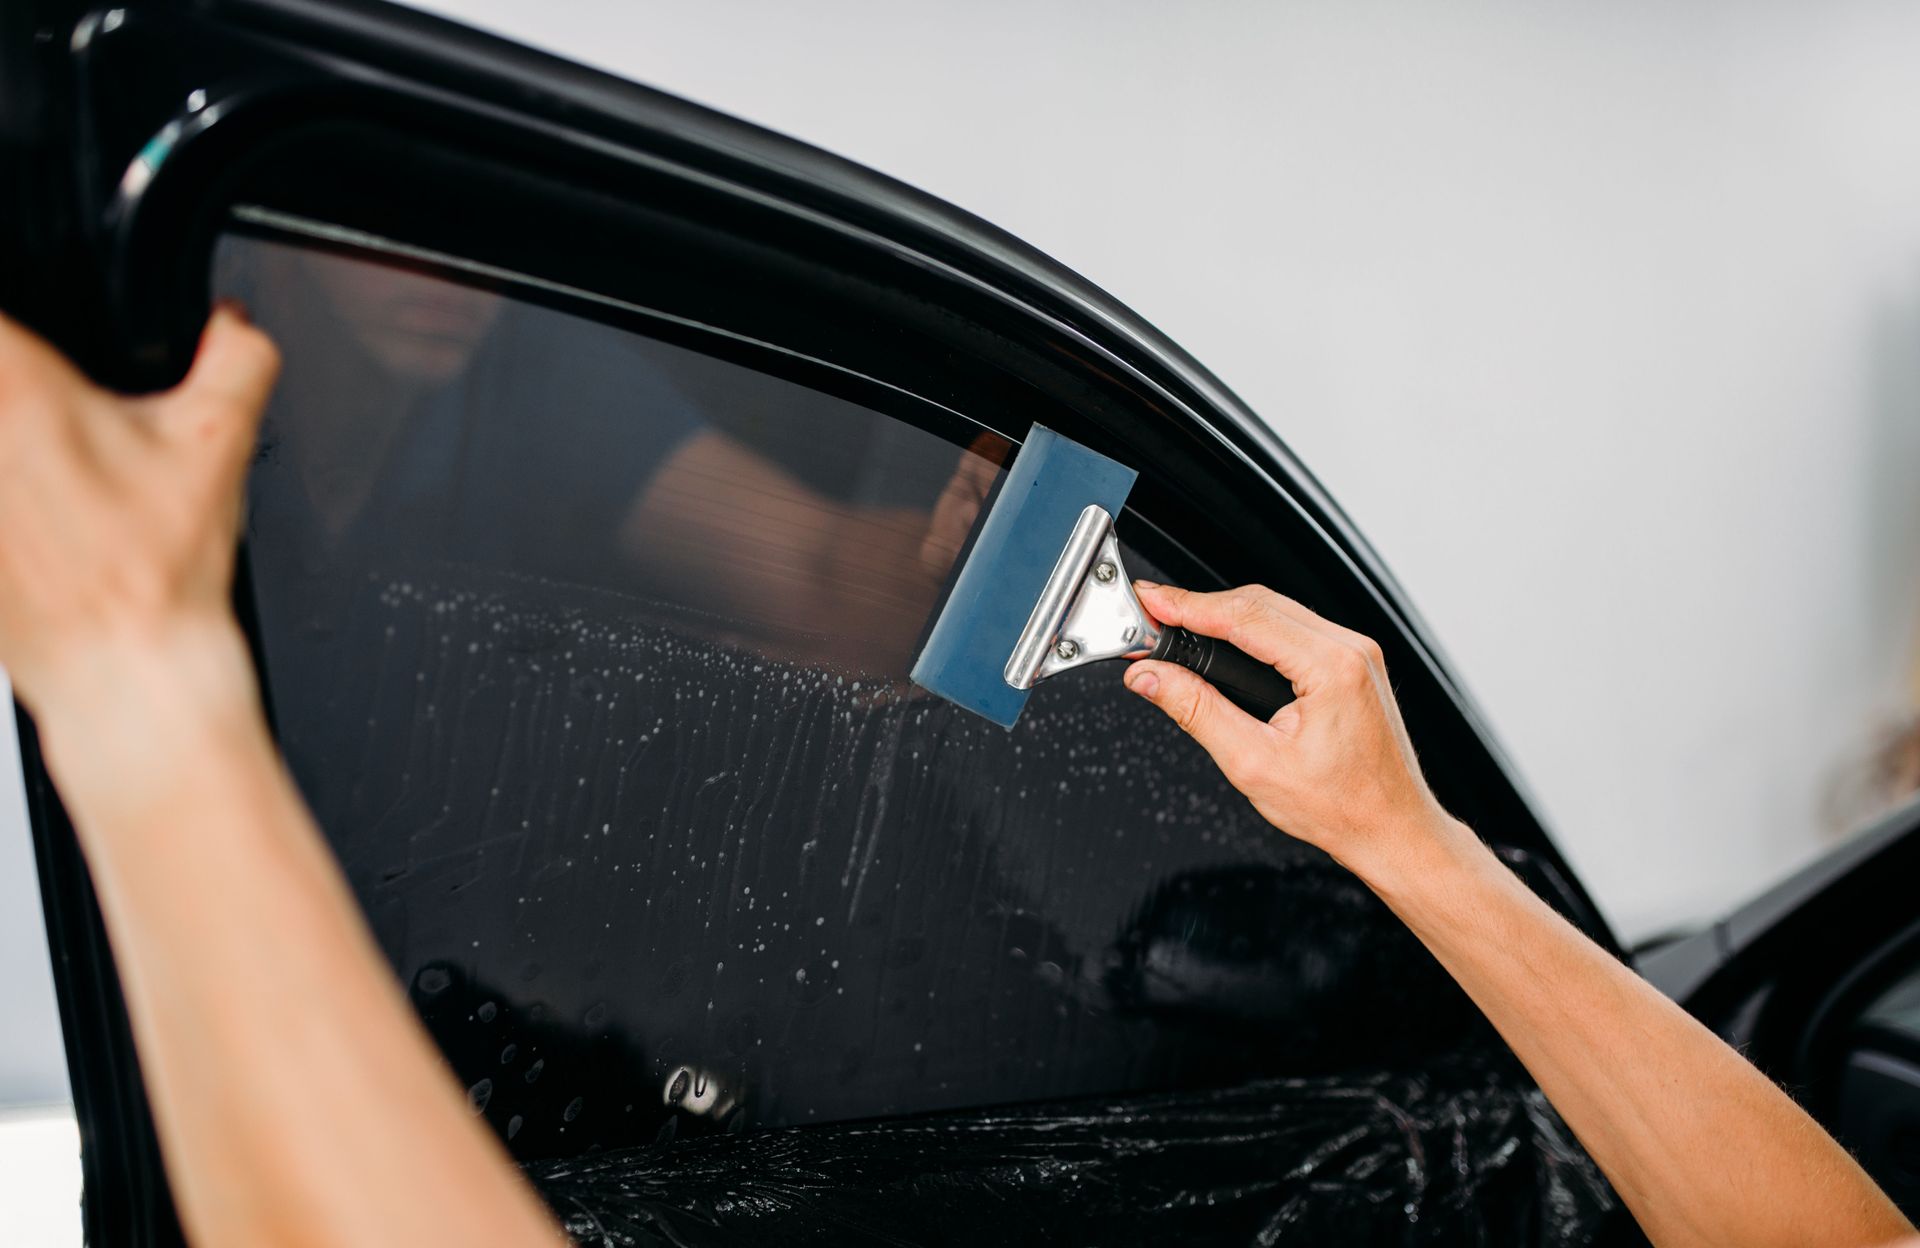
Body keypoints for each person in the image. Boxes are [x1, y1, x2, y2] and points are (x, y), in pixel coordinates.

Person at [0, 303, 1912, 1248]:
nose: (443, 294)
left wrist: (138, 693)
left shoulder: (549, 397)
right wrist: (1406, 848)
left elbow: (825, 589)